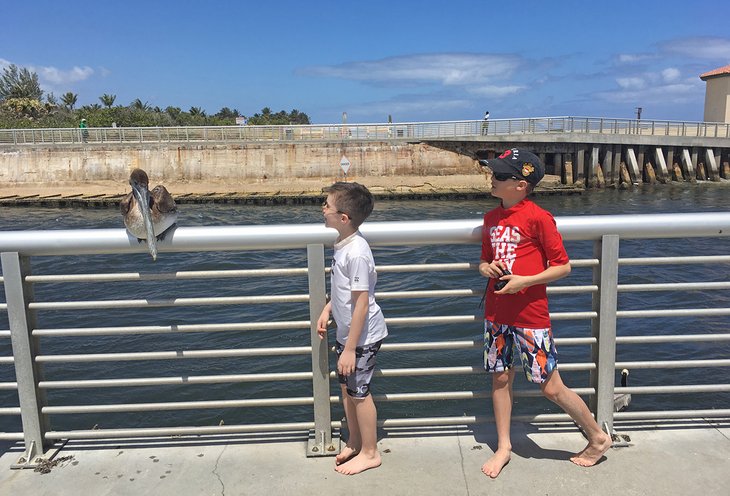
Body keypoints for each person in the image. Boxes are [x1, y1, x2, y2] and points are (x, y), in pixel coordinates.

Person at [477, 148, 611, 479]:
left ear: (521, 184)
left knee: (551, 387)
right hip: (496, 314)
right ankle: (504, 446)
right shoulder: (491, 218)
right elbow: (482, 260)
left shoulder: (539, 217)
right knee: (501, 377)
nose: (491, 178)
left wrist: (526, 280)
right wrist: (486, 268)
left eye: (499, 175)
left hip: (531, 316)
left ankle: (597, 437)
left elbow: (563, 266)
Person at [317, 182, 388, 476]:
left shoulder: (356, 252)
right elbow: (345, 291)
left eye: (327, 206)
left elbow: (361, 303)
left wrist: (349, 349)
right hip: (348, 334)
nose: (322, 209)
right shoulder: (344, 244)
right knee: (348, 390)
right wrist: (328, 308)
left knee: (359, 393)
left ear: (343, 218)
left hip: (362, 337)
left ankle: (371, 452)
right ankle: (355, 440)